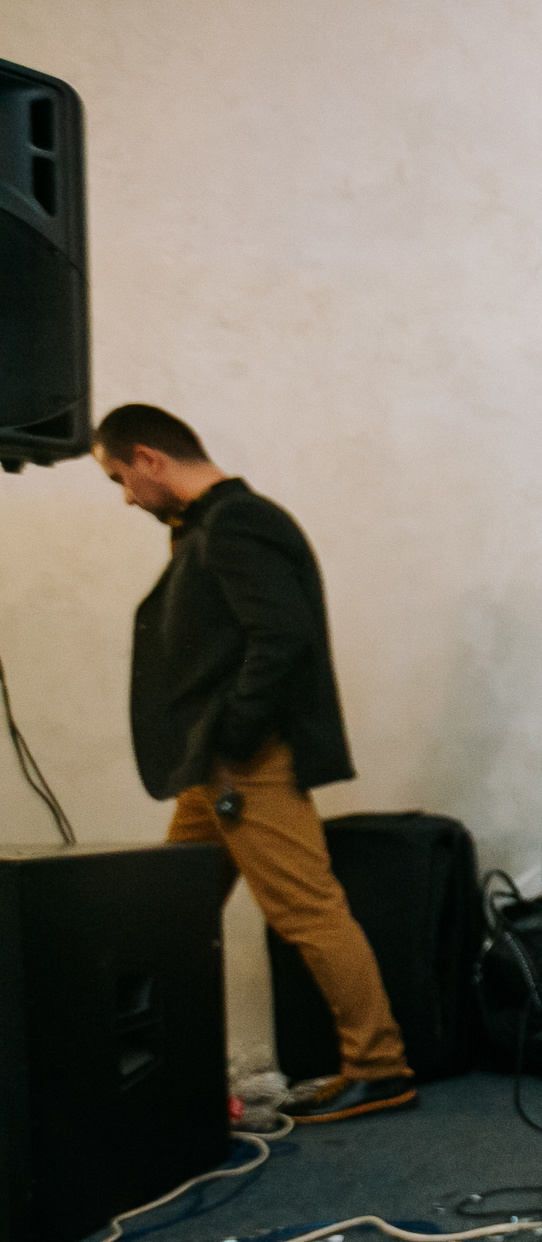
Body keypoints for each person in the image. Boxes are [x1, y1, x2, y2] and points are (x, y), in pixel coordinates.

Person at [95, 404, 415, 1123]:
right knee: (168, 916)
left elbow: (281, 636)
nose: (123, 495)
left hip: (243, 764)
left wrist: (235, 737)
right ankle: (162, 1073)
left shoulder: (238, 522)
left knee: (308, 909)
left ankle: (380, 1064)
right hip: (212, 769)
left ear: (150, 458)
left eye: (119, 476)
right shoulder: (207, 527)